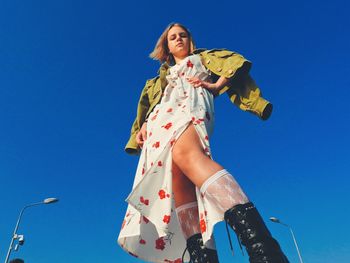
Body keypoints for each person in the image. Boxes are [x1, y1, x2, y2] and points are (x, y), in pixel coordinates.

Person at [118, 23, 289, 263]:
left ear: (190, 40)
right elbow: (149, 106)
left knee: (188, 155)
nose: (178, 39)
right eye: (172, 38)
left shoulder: (203, 57)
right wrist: (144, 124)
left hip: (190, 106)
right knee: (178, 181)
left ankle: (265, 250)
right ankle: (203, 258)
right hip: (160, 123)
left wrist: (218, 85)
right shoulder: (158, 80)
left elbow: (236, 62)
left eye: (182, 35)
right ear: (166, 46)